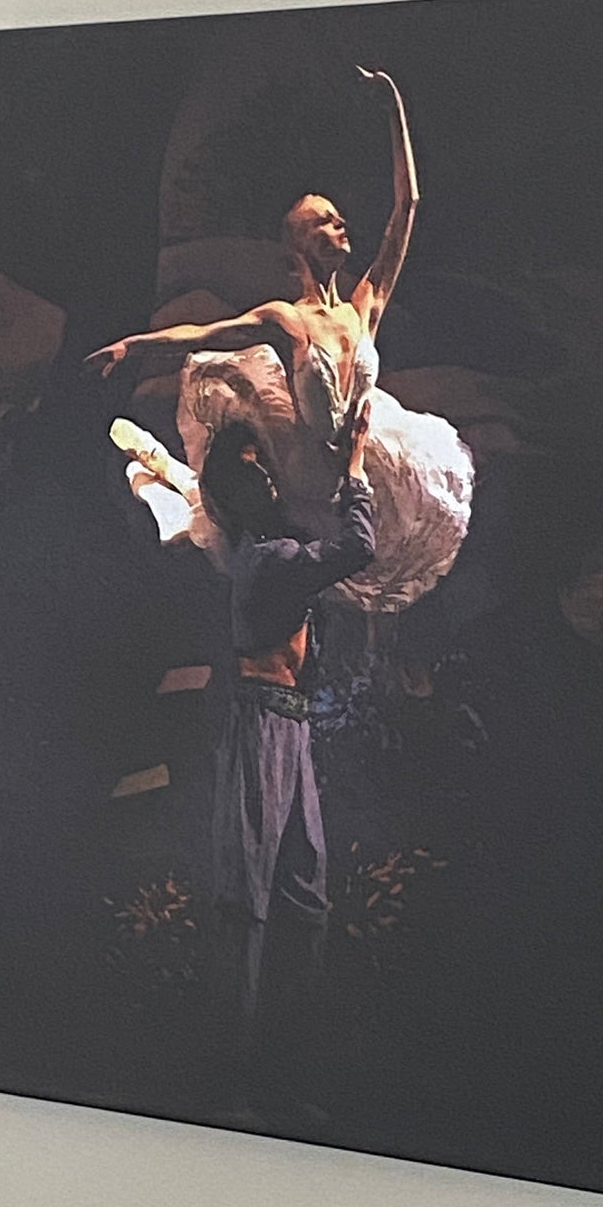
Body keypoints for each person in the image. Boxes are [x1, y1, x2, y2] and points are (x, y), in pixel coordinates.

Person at [86, 67, 472, 614]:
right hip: (307, 463)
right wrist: (134, 345)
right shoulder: (287, 319)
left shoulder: (365, 306)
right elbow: (203, 333)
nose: (340, 229)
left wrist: (393, 109)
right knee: (238, 518)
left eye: (340, 221)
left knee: (370, 556)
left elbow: (405, 208)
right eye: (324, 223)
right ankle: (164, 470)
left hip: (359, 454)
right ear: (298, 244)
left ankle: (168, 476)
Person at [196, 403, 374, 1090]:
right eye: (252, 476)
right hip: (261, 723)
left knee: (302, 898)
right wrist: (352, 468)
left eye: (263, 471)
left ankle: (283, 1067)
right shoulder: (269, 559)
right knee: (248, 896)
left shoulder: (266, 553)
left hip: (289, 724)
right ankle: (232, 1074)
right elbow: (356, 546)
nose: (265, 484)